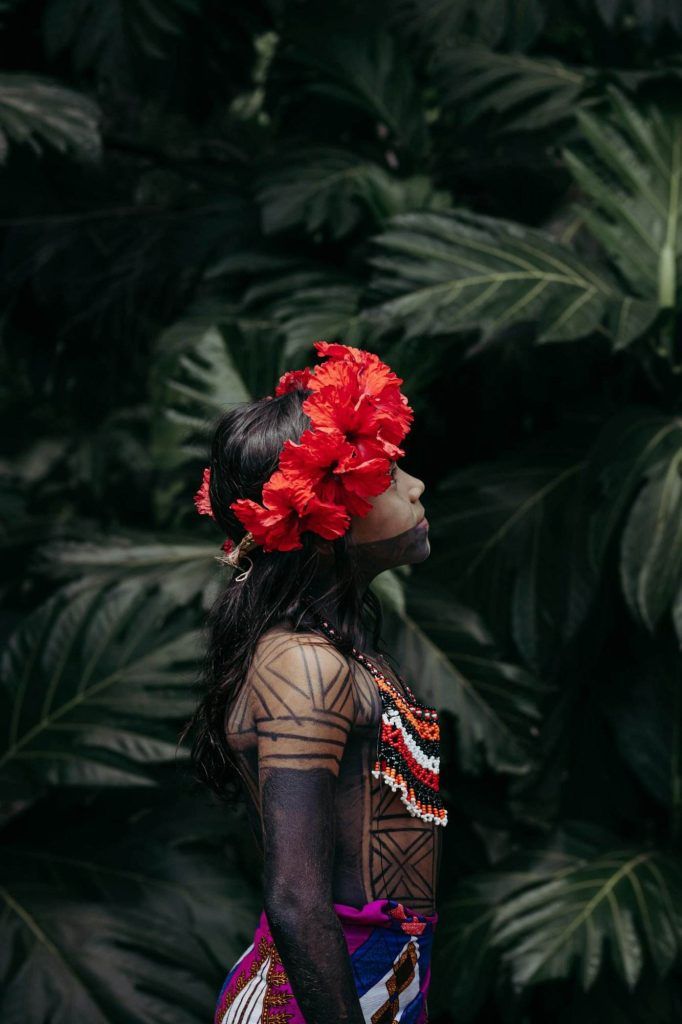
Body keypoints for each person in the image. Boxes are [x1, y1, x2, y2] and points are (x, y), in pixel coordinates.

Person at [186, 342, 448, 1024]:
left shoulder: (340, 650)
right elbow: (299, 902)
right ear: (325, 506)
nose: (415, 486)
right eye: (388, 477)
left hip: (382, 971)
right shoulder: (303, 665)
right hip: (320, 992)